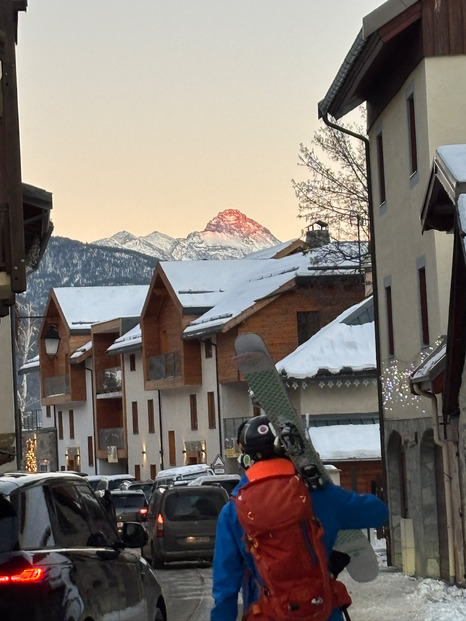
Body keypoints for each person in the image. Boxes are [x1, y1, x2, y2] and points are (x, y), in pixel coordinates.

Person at [211, 415, 388, 621]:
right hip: (321, 611)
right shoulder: (319, 496)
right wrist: (326, 488)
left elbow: (225, 590)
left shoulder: (233, 511)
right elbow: (378, 513)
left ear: (246, 458)